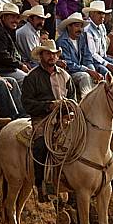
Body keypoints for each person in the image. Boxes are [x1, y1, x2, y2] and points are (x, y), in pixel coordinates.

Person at [21, 39, 76, 201]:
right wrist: (48, 106)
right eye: (48, 53)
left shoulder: (65, 75)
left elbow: (73, 98)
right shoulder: (32, 77)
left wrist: (69, 110)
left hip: (65, 117)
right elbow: (27, 104)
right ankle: (41, 184)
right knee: (41, 145)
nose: (51, 57)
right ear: (41, 56)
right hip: (42, 118)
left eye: (54, 54)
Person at [56, 12, 102, 98]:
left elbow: (87, 56)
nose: (80, 29)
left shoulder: (80, 38)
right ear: (69, 26)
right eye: (77, 26)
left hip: (81, 69)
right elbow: (68, 64)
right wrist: (87, 70)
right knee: (84, 76)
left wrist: (91, 69)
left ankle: (97, 100)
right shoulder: (62, 41)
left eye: (81, 26)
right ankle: (87, 100)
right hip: (69, 73)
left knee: (97, 75)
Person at [0, 2, 30, 87]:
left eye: (17, 18)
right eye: (12, 17)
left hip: (8, 67)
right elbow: (2, 55)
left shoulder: (8, 30)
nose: (16, 21)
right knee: (26, 79)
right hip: (1, 69)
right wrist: (20, 65)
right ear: (3, 17)